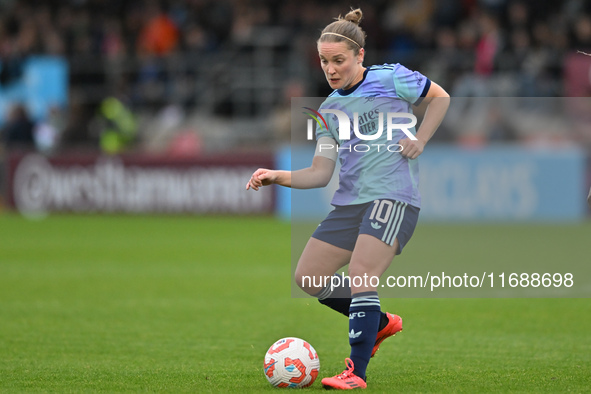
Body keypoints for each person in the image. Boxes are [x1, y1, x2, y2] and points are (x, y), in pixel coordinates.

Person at [246, 8, 449, 390]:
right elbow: (320, 173)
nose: (331, 69)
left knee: (360, 274)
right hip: (350, 204)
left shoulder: (391, 77)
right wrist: (277, 176)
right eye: (324, 61)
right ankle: (381, 322)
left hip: (393, 197)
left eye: (339, 60)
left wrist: (420, 138)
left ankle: (356, 372)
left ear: (359, 56)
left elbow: (439, 97)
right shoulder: (327, 110)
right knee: (308, 277)